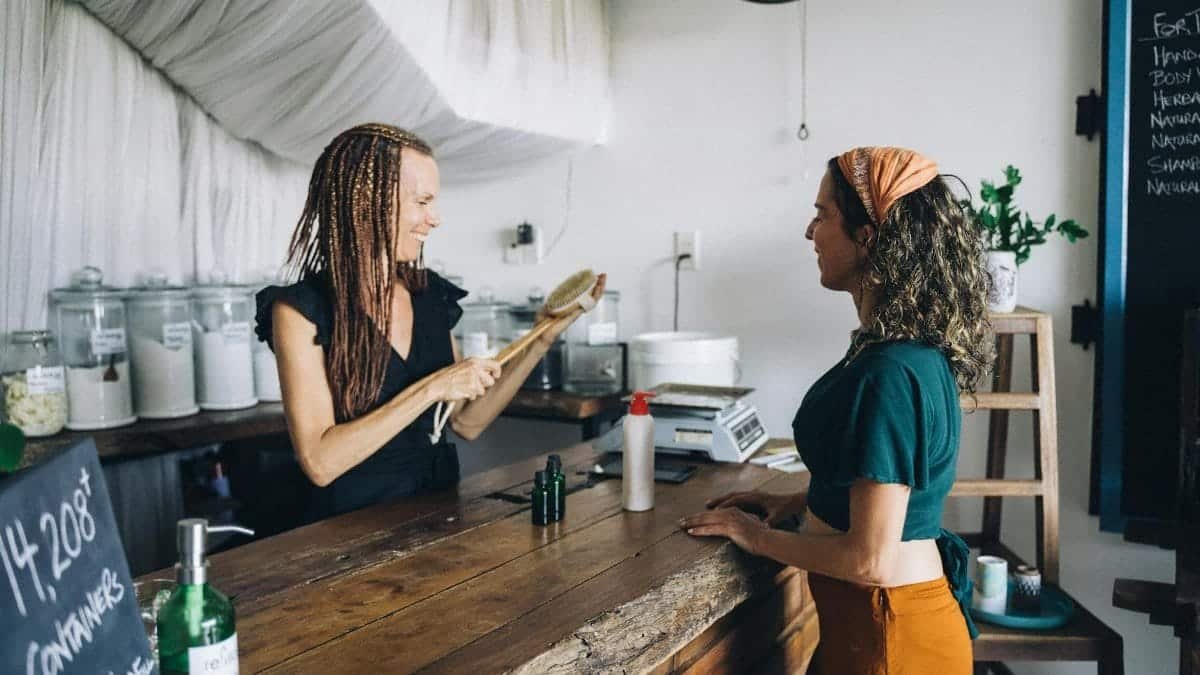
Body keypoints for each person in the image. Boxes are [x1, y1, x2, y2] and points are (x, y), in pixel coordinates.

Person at [681, 146, 993, 673]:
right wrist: (804, 500)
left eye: (823, 215)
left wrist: (754, 536)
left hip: (891, 638)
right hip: (875, 627)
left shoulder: (889, 372)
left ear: (868, 237)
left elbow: (869, 560)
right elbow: (891, 486)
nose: (810, 231)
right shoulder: (900, 351)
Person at [255, 123, 605, 520]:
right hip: (345, 529)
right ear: (365, 203)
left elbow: (466, 421)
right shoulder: (299, 311)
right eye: (422, 202)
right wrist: (432, 387)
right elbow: (320, 462)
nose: (434, 218)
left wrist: (543, 335)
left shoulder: (430, 297)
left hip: (437, 515)